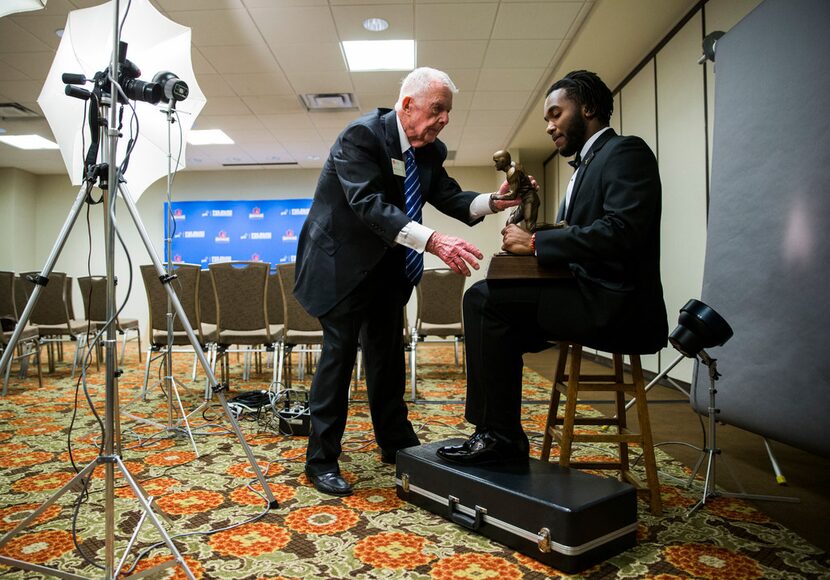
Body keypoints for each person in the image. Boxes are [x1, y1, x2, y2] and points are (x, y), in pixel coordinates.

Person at [293, 67, 521, 495]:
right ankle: (321, 459)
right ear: (408, 104)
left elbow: (451, 197)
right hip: (338, 267)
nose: (444, 119)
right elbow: (370, 205)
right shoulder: (360, 138)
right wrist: (432, 240)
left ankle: (394, 441)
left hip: (384, 268)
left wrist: (494, 201)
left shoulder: (429, 151)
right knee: (338, 359)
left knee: (387, 357)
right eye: (438, 109)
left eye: (448, 112)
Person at [437, 70, 668, 465]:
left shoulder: (626, 152)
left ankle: (497, 436)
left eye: (556, 114)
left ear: (589, 108)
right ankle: (498, 432)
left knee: (483, 301)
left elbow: (623, 231)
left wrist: (536, 242)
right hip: (586, 293)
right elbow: (579, 232)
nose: (549, 126)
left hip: (615, 304)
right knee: (493, 313)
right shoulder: (587, 165)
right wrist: (527, 231)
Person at [491, 150, 540, 232]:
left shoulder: (512, 172)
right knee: (510, 223)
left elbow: (512, 195)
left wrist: (496, 196)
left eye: (496, 162)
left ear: (503, 161)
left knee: (531, 227)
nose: (495, 165)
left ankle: (558, 226)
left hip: (530, 199)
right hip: (524, 199)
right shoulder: (513, 164)